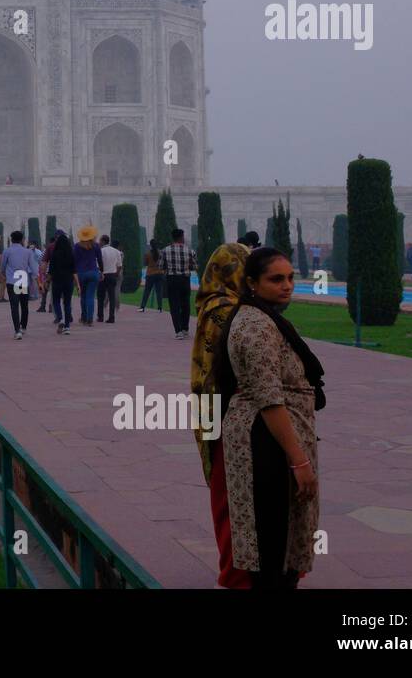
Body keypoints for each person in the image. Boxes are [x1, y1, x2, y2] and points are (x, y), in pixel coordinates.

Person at [215, 245, 326, 589]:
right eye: (276, 279)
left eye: (291, 278)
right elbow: (269, 400)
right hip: (265, 442)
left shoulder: (264, 317)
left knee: (283, 538)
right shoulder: (255, 326)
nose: (287, 285)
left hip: (272, 438)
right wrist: (299, 461)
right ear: (251, 283)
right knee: (271, 542)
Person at [191, 241, 253, 588]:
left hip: (214, 408)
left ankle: (237, 569)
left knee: (226, 493)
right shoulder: (225, 312)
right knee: (233, 497)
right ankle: (236, 572)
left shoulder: (214, 305)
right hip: (227, 412)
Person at [0, 230, 38, 340]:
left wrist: (4, 274)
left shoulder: (7, 251)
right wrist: (35, 278)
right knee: (24, 305)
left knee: (14, 306)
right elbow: (33, 267)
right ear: (22, 240)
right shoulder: (27, 252)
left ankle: (17, 331)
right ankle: (23, 327)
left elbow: (3, 266)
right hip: (23, 279)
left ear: (11, 240)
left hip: (12, 280)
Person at [162, 228, 199, 339]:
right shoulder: (189, 251)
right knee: (185, 304)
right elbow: (195, 266)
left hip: (172, 279)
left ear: (172, 238)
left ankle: (178, 332)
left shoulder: (165, 250)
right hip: (184, 279)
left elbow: (160, 266)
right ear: (181, 237)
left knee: (174, 305)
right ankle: (185, 329)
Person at [73, 227, 103, 326]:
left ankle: (84, 317)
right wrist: (102, 272)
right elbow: (100, 260)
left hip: (81, 273)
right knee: (90, 296)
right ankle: (90, 319)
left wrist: (74, 274)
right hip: (93, 272)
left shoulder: (77, 246)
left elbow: (74, 261)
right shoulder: (96, 246)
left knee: (83, 296)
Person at [48, 232, 76, 335]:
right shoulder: (71, 254)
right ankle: (67, 326)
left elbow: (51, 270)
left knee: (56, 301)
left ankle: (60, 319)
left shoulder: (55, 254)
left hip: (57, 280)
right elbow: (74, 270)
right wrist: (77, 283)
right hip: (68, 280)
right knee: (67, 303)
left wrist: (47, 281)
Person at [97, 234, 121, 324]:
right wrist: (116, 274)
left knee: (100, 297)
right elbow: (119, 265)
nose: (99, 242)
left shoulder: (101, 251)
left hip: (102, 275)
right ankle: (112, 317)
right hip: (112, 275)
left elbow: (98, 264)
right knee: (111, 297)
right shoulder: (116, 251)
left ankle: (100, 316)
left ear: (103, 241)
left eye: (100, 241)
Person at [140, 238, 166, 312]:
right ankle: (160, 308)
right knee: (159, 291)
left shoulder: (147, 253)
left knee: (147, 291)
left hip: (150, 273)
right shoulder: (161, 253)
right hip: (159, 273)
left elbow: (145, 263)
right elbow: (164, 263)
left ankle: (142, 307)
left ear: (150, 245)